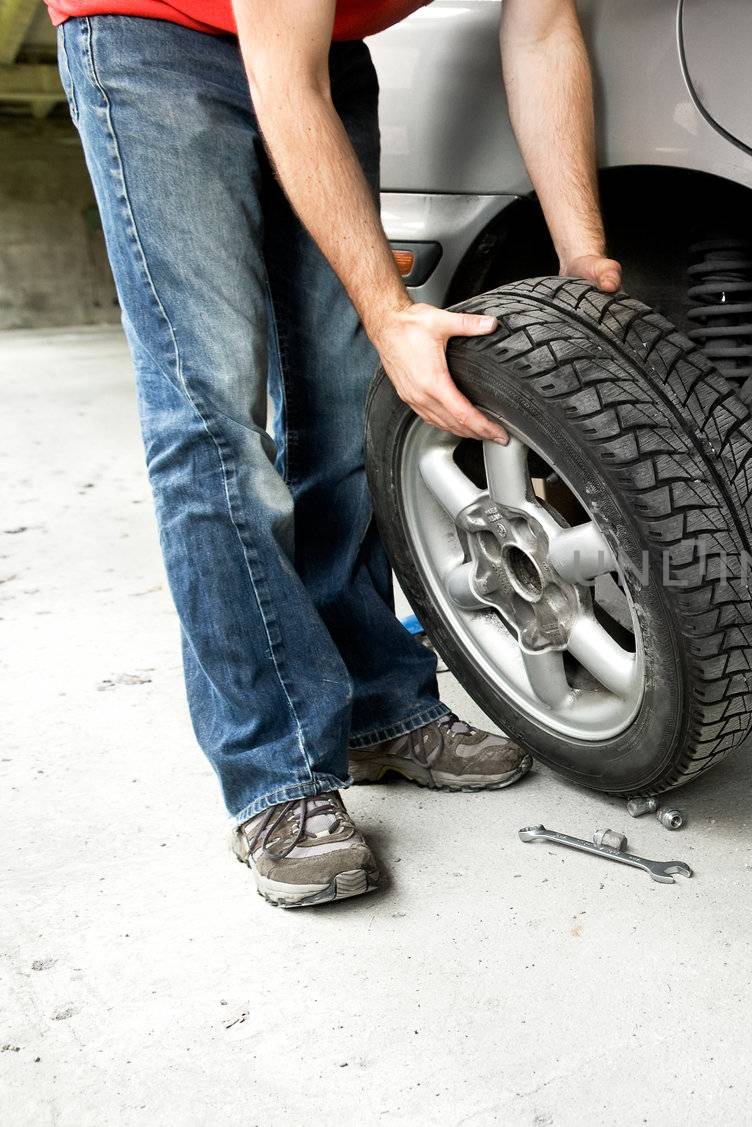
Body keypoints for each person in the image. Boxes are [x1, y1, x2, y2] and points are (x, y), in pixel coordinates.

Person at [48, 0, 622, 907]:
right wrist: (391, 312)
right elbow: (286, 83)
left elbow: (543, 29)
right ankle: (274, 775)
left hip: (324, 52)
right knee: (214, 419)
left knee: (346, 400)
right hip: (148, 43)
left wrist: (582, 253)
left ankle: (376, 706)